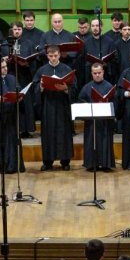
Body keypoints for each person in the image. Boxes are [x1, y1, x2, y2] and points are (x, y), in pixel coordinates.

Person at [34, 43, 77, 171]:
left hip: (62, 105)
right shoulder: (42, 70)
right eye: (51, 56)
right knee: (48, 132)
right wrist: (41, 87)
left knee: (64, 132)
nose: (53, 58)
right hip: (48, 105)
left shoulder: (66, 69)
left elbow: (74, 87)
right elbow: (35, 87)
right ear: (47, 56)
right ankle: (48, 162)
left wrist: (66, 89)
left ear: (59, 55)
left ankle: (65, 161)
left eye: (55, 55)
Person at [0, 57, 23, 173]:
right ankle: (4, 165)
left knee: (14, 140)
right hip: (0, 118)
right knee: (2, 142)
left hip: (12, 116)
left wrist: (20, 97)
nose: (5, 69)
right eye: (2, 67)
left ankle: (16, 164)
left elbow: (19, 91)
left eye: (6, 67)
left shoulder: (12, 78)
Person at [78, 62, 117, 171]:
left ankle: (106, 164)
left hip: (105, 121)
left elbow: (115, 101)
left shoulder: (109, 86)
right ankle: (91, 164)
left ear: (103, 72)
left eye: (99, 73)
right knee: (91, 141)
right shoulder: (86, 87)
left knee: (105, 141)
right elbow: (81, 101)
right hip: (92, 121)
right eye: (95, 73)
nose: (97, 75)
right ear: (91, 73)